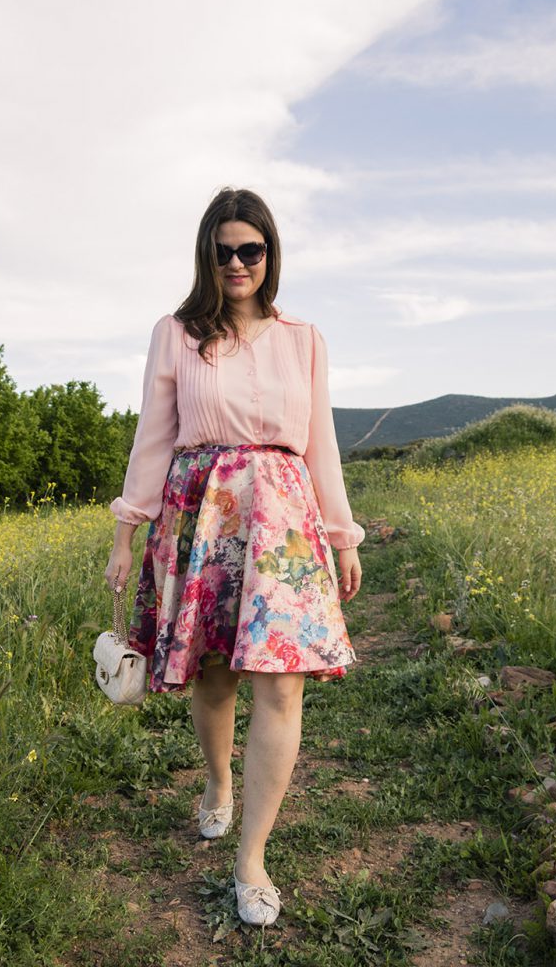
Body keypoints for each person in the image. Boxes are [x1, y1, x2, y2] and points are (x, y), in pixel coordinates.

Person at [104, 187, 363, 927]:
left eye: (250, 249)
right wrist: (127, 531)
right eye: (222, 252)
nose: (236, 263)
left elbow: (320, 444)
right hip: (200, 512)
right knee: (213, 675)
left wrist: (342, 536)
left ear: (270, 252)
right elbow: (154, 436)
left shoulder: (303, 337)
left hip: (282, 518)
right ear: (206, 257)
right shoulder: (177, 333)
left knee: (281, 685)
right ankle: (217, 785)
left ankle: (251, 857)